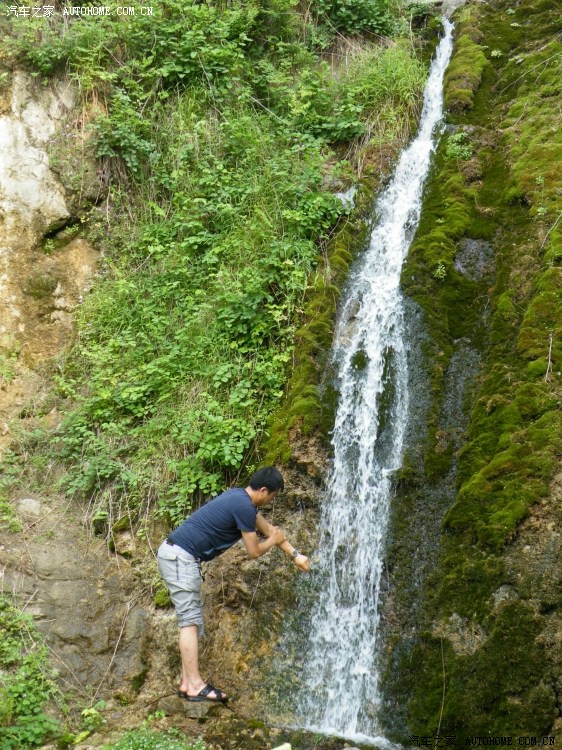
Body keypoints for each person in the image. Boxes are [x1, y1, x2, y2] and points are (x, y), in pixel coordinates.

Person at [157, 466, 310, 704]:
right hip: (180, 558)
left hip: (178, 556)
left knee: (192, 621)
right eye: (273, 496)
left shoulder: (240, 499)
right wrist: (272, 541)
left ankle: (188, 683)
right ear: (263, 490)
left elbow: (270, 530)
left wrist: (296, 555)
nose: (272, 501)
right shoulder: (243, 507)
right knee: (189, 623)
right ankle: (195, 685)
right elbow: (254, 551)